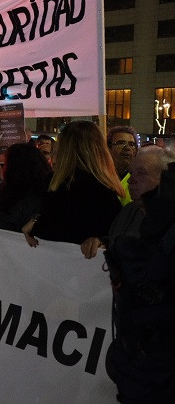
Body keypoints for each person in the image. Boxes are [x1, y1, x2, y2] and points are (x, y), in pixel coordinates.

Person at [99, 147, 175, 402]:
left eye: (141, 174)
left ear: (165, 179)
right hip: (130, 347)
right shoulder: (127, 212)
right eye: (131, 173)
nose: (131, 180)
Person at [22, 120, 124, 246]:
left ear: (65, 148)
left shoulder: (60, 185)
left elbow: (54, 227)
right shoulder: (106, 185)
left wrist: (35, 225)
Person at [0, 143, 52, 235]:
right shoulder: (44, 188)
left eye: (6, 163)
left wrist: (0, 221)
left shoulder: (27, 196)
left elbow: (17, 215)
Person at [106, 125, 138, 206]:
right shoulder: (100, 176)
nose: (127, 147)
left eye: (132, 144)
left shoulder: (140, 179)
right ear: (108, 148)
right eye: (120, 143)